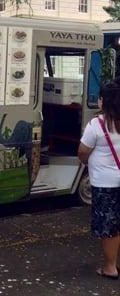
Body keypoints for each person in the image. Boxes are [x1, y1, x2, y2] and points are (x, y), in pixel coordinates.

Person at [78, 77, 120, 280]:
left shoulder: (97, 124)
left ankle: (110, 267)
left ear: (103, 100)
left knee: (109, 227)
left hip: (105, 184)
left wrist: (90, 162)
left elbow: (82, 152)